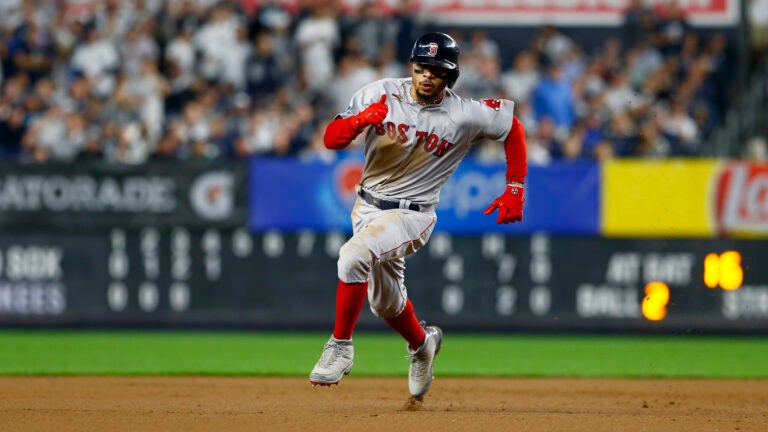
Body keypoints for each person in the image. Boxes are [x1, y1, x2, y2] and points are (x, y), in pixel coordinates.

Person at [308, 32, 528, 399]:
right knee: (385, 303)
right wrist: (361, 119)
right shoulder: (380, 92)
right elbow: (332, 139)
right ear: (412, 67)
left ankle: (340, 346)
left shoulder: (463, 113)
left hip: (414, 214)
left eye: (437, 71)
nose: (427, 76)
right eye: (421, 68)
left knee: (352, 256)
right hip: (366, 207)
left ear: (450, 76)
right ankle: (422, 343)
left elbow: (512, 127)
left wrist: (516, 186)